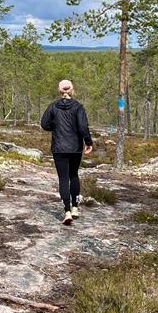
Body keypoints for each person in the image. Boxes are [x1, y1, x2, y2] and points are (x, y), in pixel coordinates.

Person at [39, 79, 93, 225]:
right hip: (75, 148)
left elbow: (44, 124)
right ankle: (75, 208)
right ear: (72, 90)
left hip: (58, 148)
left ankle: (67, 212)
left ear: (59, 90)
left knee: (63, 178)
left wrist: (55, 127)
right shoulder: (78, 107)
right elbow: (83, 127)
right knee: (74, 175)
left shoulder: (52, 106)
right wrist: (88, 142)